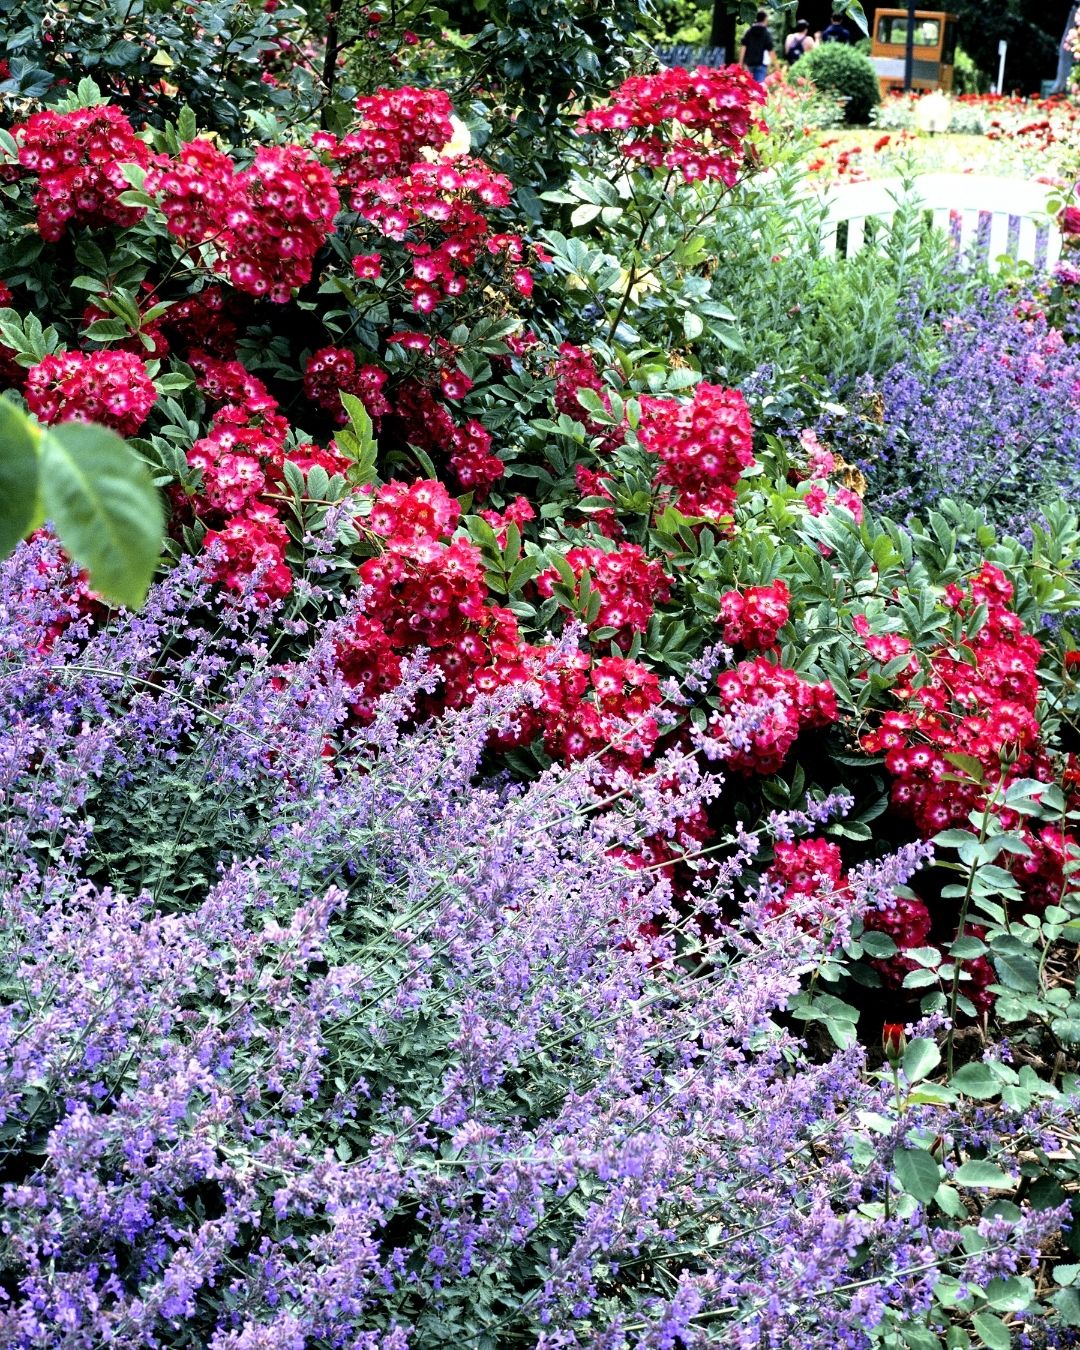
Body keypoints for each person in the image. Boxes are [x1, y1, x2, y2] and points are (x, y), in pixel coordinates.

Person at [739, 10, 774, 84]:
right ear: (765, 19)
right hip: (761, 64)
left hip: (749, 64)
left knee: (749, 86)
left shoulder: (749, 31)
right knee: (759, 87)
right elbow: (770, 50)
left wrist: (740, 63)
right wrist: (776, 66)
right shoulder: (766, 33)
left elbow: (743, 48)